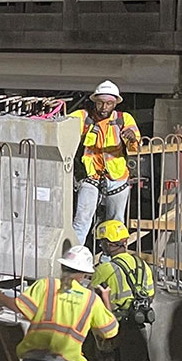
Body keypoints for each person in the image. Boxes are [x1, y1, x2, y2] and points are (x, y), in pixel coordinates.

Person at [90, 220, 159, 361]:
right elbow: (150, 294)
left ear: (109, 244)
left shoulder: (106, 269)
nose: (102, 246)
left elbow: (91, 295)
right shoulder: (142, 266)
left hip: (114, 330)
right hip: (138, 329)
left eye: (103, 242)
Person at [70, 80, 139, 245]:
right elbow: (63, 126)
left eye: (109, 103)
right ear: (95, 101)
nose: (104, 107)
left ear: (115, 103)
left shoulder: (124, 119)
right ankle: (74, 259)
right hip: (91, 176)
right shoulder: (83, 117)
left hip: (117, 177)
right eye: (100, 103)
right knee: (82, 220)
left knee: (116, 223)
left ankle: (110, 259)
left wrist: (132, 138)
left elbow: (135, 146)